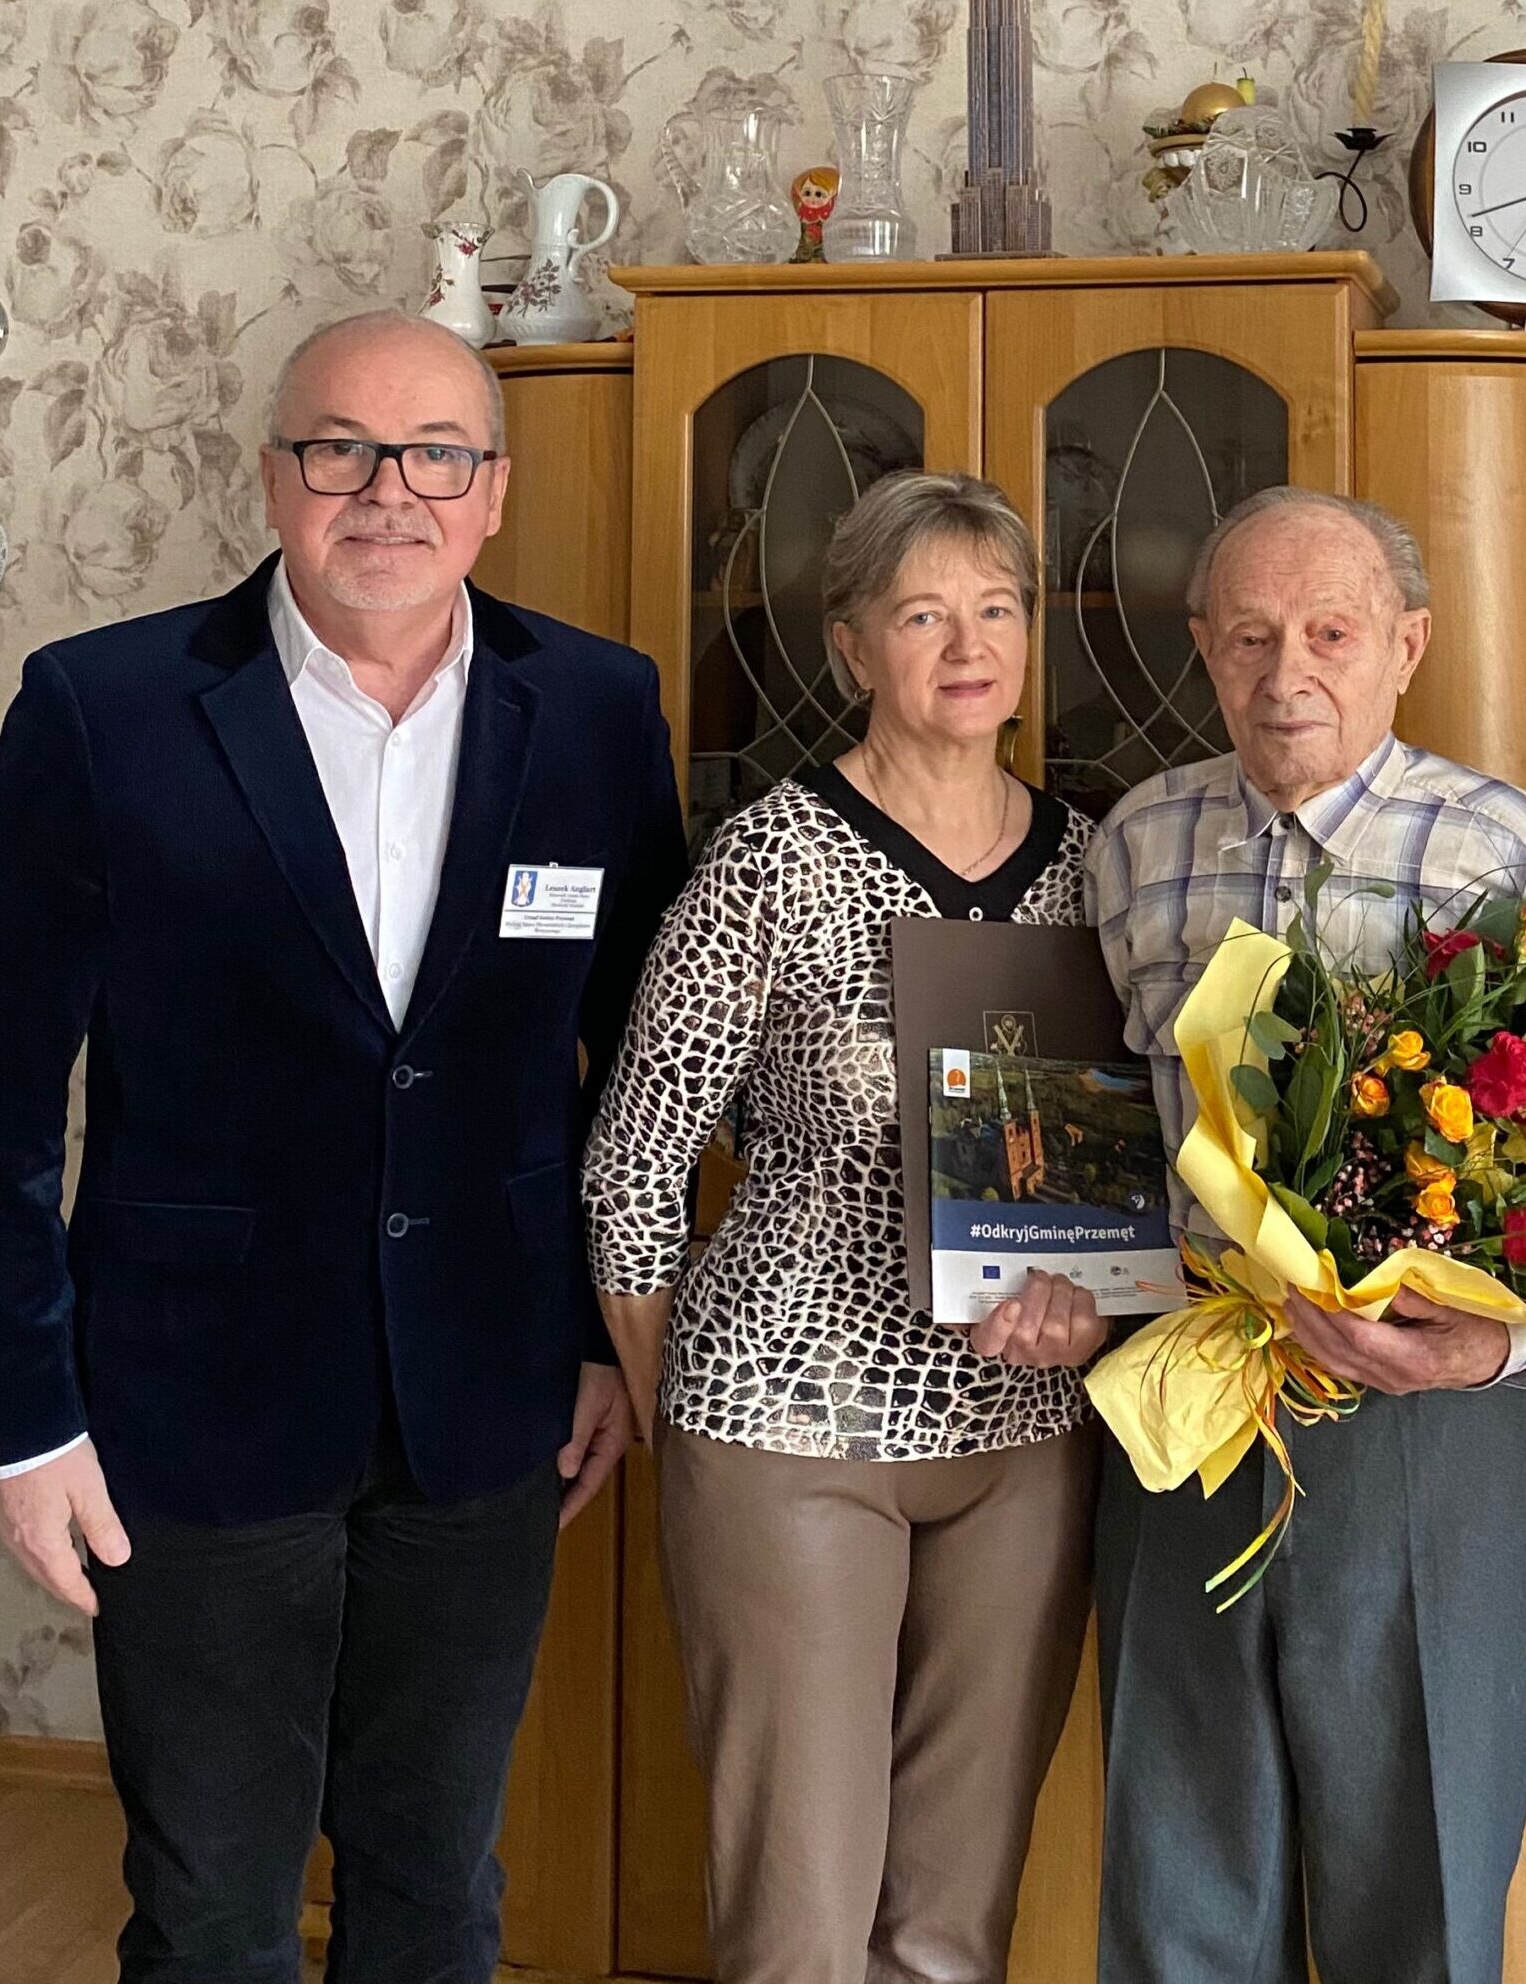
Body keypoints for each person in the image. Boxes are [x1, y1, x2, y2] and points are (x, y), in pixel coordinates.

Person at [0, 310, 689, 1983]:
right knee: (214, 1907)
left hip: (489, 1407)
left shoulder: (601, 712)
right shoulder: (103, 709)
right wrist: (17, 1424)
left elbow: (642, 1075)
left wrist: (604, 1338)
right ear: (275, 477)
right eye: (339, 448)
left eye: (435, 457)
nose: (385, 492)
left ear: (494, 493)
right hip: (188, 1407)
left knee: (434, 1883)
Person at [582, 471, 1106, 1984]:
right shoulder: (769, 859)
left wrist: (1089, 1292)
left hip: (1027, 1433)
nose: (968, 643)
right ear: (851, 646)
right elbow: (633, 1170)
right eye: (923, 612)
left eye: (996, 609)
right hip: (793, 1434)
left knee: (953, 1919)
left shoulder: (1090, 859)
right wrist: (690, 1403)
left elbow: (1109, 1147)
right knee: (800, 1921)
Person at [1084, 486, 1526, 1984]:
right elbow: (1094, 1121)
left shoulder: (1501, 848)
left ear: (1406, 645)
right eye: (1246, 635)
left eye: (1328, 631)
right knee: (1178, 1868)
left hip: (1431, 1426)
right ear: (1202, 648)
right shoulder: (1135, 841)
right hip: (1191, 1391)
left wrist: (1496, 1350)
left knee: (1417, 1890)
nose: (1284, 670)